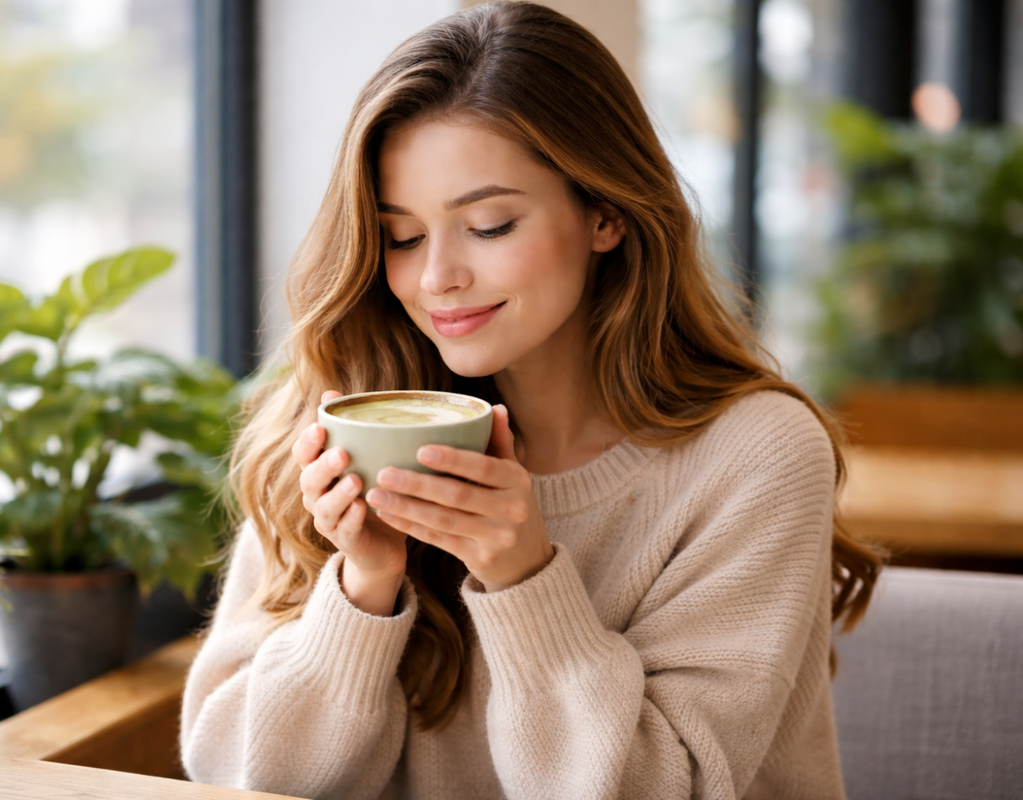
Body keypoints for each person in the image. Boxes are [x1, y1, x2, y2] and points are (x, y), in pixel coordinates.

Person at [180, 4, 882, 799]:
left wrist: (522, 580)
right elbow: (237, 773)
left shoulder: (752, 455)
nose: (436, 277)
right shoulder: (350, 423)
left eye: (489, 224)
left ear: (606, 215)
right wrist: (362, 586)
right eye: (403, 237)